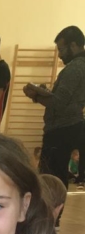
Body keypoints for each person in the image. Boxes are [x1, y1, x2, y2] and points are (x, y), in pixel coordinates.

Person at [24, 26, 85, 190]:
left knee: (51, 179)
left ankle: (53, 207)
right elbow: (65, 99)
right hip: (69, 126)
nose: (59, 54)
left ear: (73, 45)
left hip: (61, 130)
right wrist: (44, 93)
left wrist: (35, 95)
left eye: (62, 49)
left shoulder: (75, 68)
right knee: (56, 177)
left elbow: (58, 103)